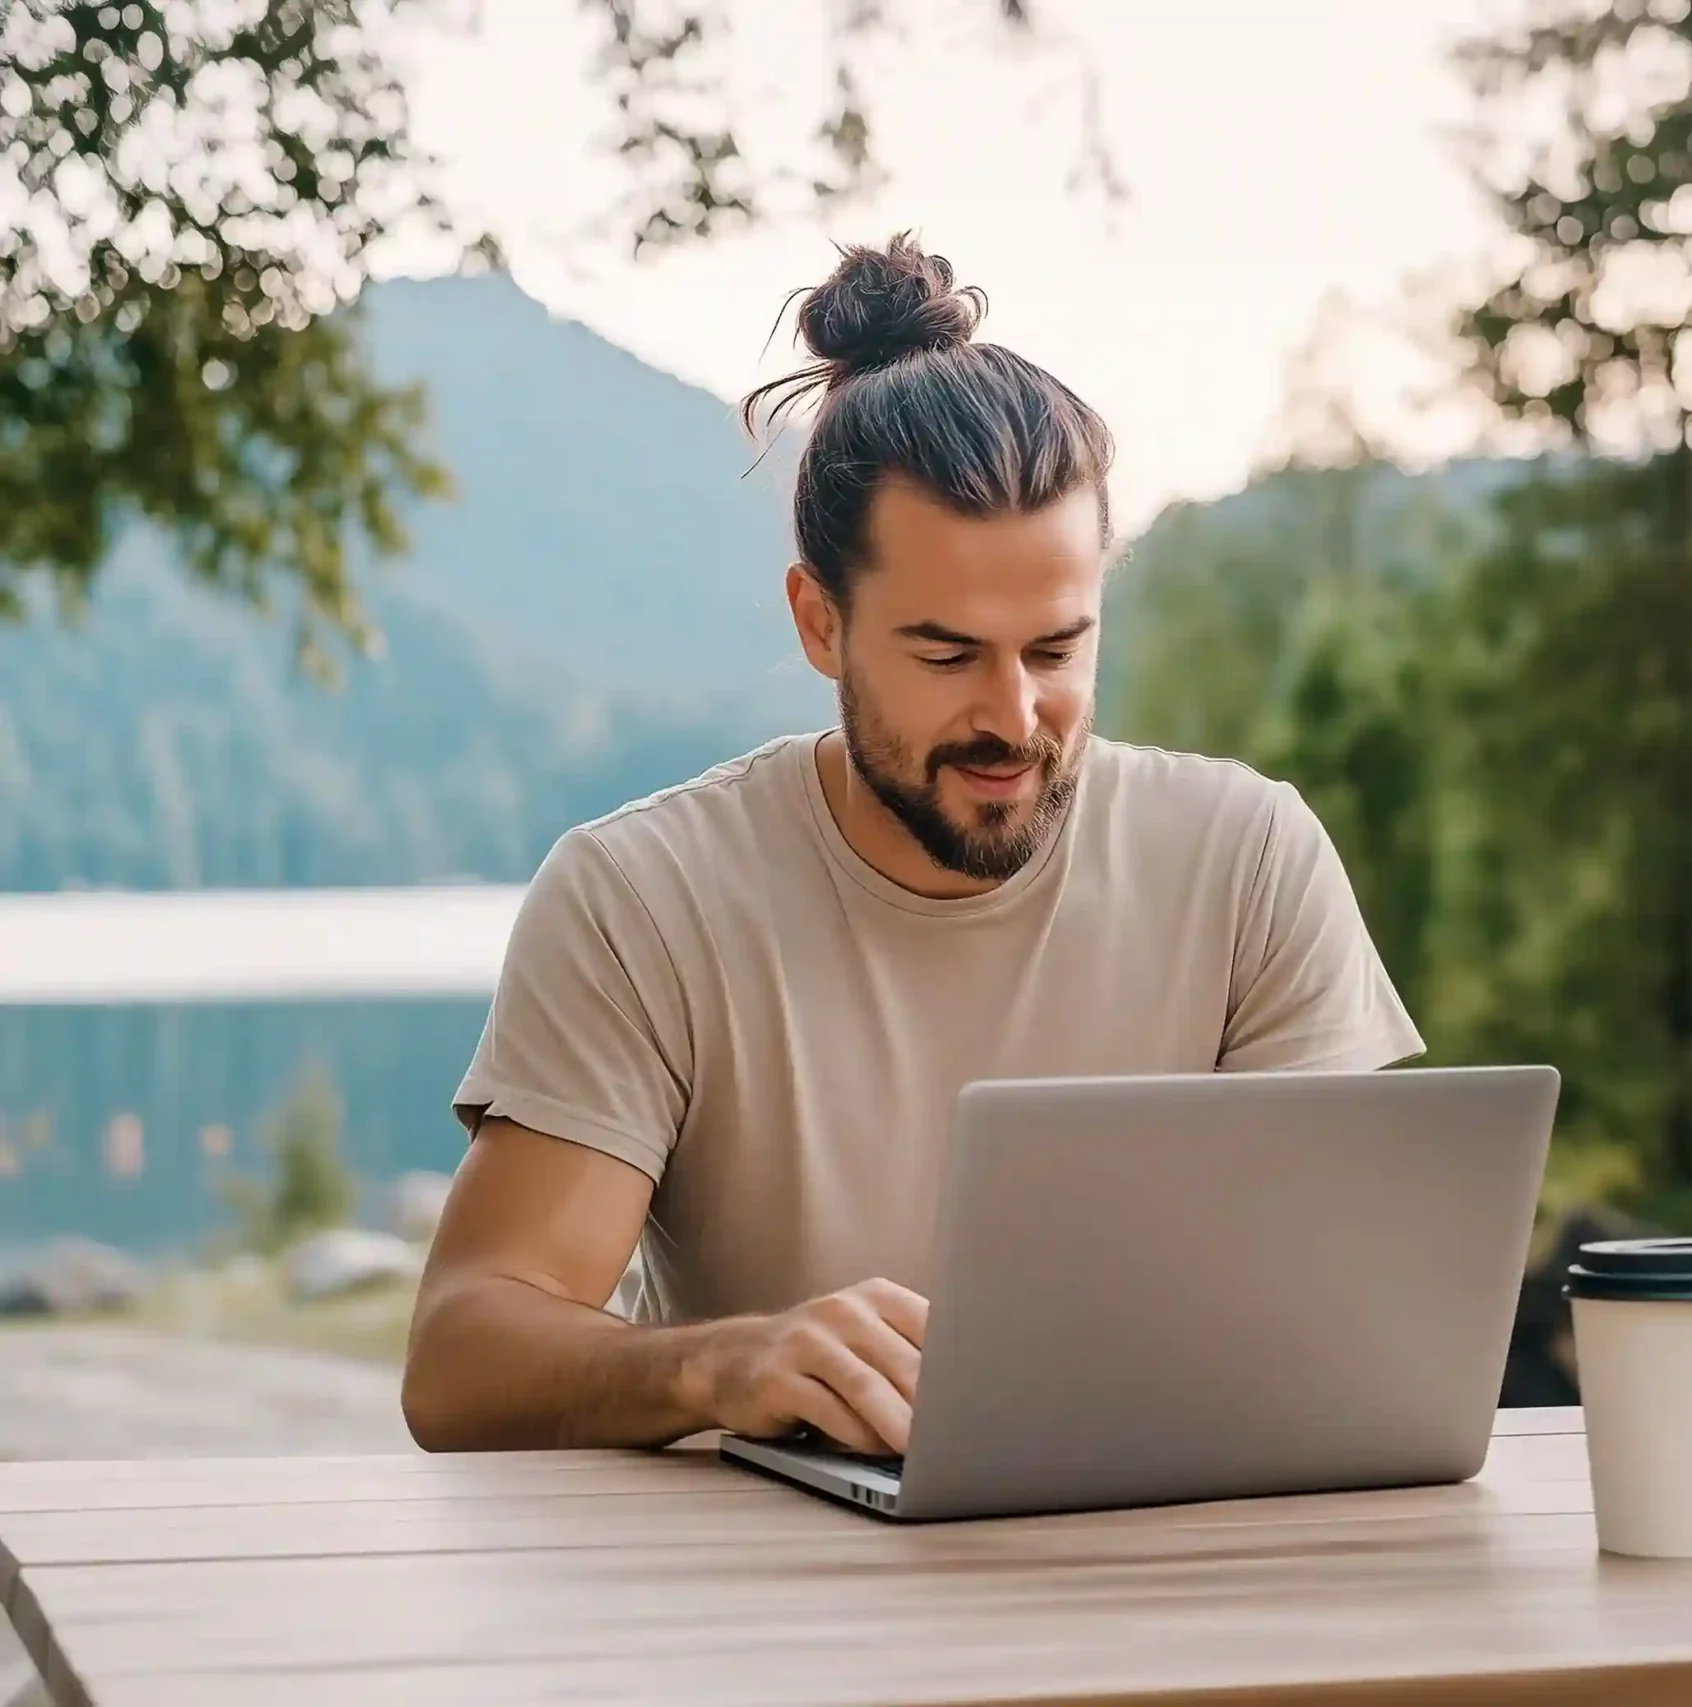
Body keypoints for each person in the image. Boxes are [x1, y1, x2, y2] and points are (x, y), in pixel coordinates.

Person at [401, 235, 1423, 1456]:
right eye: (945, 656)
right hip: (770, 1597)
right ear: (818, 623)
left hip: (1167, 1572)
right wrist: (722, 1363)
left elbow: (1347, 1319)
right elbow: (461, 1359)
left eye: (1056, 650)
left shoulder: (1249, 860)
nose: (1012, 718)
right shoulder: (645, 897)